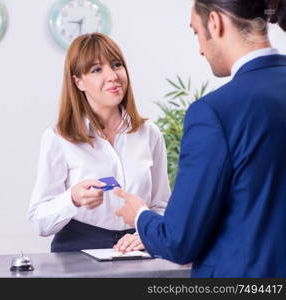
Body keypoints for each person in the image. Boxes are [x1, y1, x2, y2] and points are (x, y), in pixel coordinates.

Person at [115, 0, 286, 277]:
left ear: (216, 22)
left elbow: (178, 241)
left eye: (197, 32)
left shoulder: (214, 112)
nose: (200, 49)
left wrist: (140, 215)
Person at [28, 33, 170, 252]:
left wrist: (148, 235)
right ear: (78, 82)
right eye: (96, 70)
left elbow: (161, 205)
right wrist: (72, 198)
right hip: (78, 252)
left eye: (116, 65)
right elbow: (39, 221)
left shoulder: (149, 134)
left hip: (136, 249)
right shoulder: (58, 137)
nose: (112, 76)